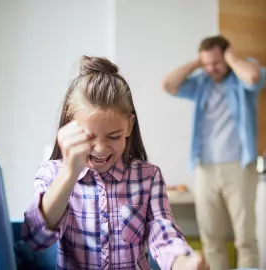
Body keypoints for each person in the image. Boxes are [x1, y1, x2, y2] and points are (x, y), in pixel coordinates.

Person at [22, 56, 208, 270]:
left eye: (113, 137)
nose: (100, 148)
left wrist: (182, 262)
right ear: (69, 127)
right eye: (88, 136)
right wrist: (69, 173)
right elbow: (35, 238)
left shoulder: (148, 176)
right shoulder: (52, 173)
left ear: (129, 127)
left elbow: (162, 232)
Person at [162, 35, 266, 269]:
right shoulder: (201, 83)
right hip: (205, 169)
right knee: (211, 239)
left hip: (240, 167)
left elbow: (252, 77)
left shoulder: (242, 76)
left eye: (216, 63)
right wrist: (197, 63)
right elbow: (168, 85)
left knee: (245, 239)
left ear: (227, 57)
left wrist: (229, 56)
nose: (211, 69)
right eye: (206, 64)